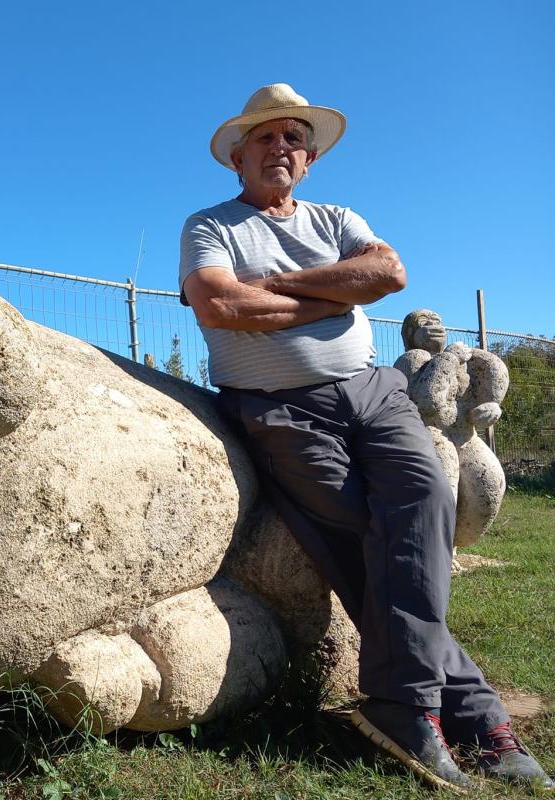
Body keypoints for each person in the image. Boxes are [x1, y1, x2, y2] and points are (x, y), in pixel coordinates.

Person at [178, 83, 552, 793]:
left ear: (310, 158)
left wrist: (282, 290)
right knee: (359, 536)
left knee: (425, 501)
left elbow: (387, 273)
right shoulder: (210, 226)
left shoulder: (337, 215)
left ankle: (406, 707)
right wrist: (331, 293)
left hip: (374, 390)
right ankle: (461, 714)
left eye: (292, 137)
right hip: (278, 406)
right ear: (237, 157)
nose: (279, 147)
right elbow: (221, 303)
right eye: (264, 137)